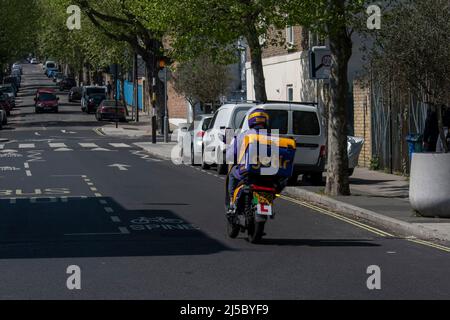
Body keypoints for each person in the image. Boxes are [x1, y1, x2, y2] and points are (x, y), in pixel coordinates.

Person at [226, 109, 271, 212]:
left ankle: (232, 203)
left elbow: (230, 156)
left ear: (250, 121)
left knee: (232, 174)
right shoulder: (272, 136)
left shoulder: (244, 135)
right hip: (268, 174)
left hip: (247, 172)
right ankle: (264, 206)